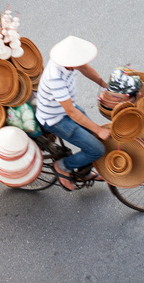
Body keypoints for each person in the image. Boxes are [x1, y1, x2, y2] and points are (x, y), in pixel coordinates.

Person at [35, 36, 111, 191]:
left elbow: (86, 68)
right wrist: (99, 129)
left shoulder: (70, 63)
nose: (81, 62)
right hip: (55, 119)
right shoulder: (55, 76)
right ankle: (62, 166)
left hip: (68, 109)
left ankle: (85, 171)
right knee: (97, 149)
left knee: (96, 139)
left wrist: (104, 85)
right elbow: (71, 112)